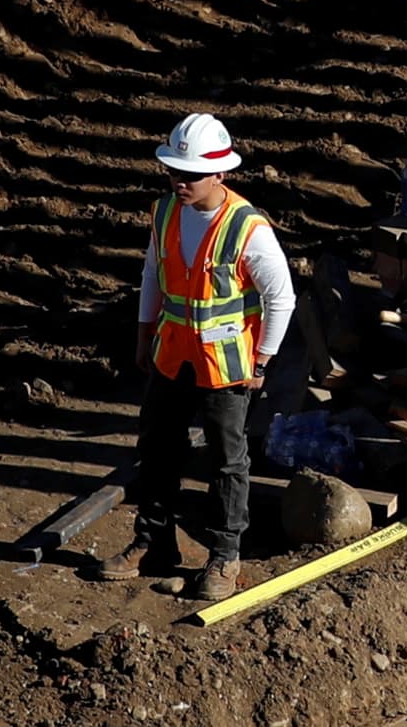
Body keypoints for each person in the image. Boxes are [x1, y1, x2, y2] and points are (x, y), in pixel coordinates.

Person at [97, 113, 295, 603]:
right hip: (172, 356)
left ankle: (225, 558)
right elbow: (152, 274)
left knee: (228, 463)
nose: (179, 182)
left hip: (227, 367)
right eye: (173, 172)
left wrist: (263, 361)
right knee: (158, 449)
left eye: (189, 174)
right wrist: (145, 336)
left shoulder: (248, 227)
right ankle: (154, 544)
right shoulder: (165, 212)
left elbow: (282, 297)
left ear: (220, 174)